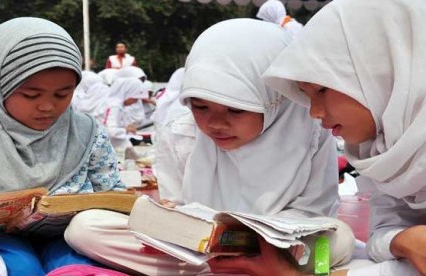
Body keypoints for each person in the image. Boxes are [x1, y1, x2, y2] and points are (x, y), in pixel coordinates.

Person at [64, 18, 354, 276]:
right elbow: (176, 205)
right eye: (200, 106)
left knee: (338, 239)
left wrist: (264, 238)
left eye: (236, 110)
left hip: (280, 254)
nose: (215, 124)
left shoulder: (310, 132)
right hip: (197, 254)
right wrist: (165, 225)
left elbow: (319, 216)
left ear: (274, 100)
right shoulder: (181, 132)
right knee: (85, 228)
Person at [263, 0, 426, 275]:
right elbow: (381, 234)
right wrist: (402, 240)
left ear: (382, 68)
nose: (314, 112)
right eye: (307, 96)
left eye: (322, 89)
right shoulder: (386, 151)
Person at [0, 17, 125, 276]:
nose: (48, 106)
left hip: (71, 238)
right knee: (16, 268)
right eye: (31, 95)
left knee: (78, 269)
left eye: (63, 94)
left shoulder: (86, 132)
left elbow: (114, 195)